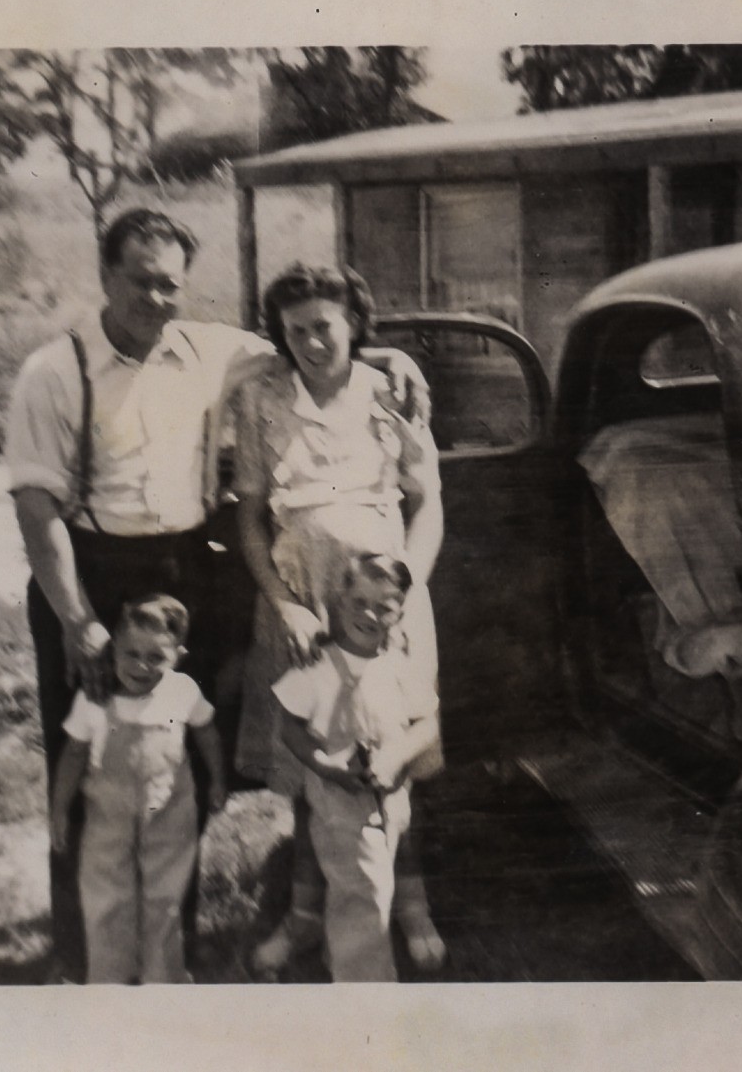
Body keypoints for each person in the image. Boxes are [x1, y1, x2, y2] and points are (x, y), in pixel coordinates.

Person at [4, 210, 426, 981]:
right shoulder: (55, 372)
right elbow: (37, 511)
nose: (158, 298)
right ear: (104, 275)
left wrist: (390, 352)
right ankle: (82, 955)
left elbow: (318, 345)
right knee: (90, 757)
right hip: (93, 570)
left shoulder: (210, 349)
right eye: (141, 281)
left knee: (180, 763)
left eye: (171, 283)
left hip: (184, 569)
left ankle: (171, 945)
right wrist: (78, 622)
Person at [233, 262, 446, 976]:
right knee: (311, 764)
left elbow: (428, 501)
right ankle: (302, 916)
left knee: (392, 752)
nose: (311, 342)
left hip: (384, 598)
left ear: (354, 323)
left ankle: (408, 902)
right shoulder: (261, 396)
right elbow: (251, 522)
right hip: (300, 599)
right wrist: (284, 602)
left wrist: (407, 587)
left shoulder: (392, 390)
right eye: (295, 331)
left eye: (324, 326)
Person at [49, 595, 228, 983]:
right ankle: (110, 979)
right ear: (113, 649)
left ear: (178, 655)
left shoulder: (182, 692)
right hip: (108, 813)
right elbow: (74, 754)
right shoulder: (95, 698)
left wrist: (216, 780)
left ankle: (161, 979)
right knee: (106, 894)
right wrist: (59, 808)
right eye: (131, 653)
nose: (141, 666)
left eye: (156, 657)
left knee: (165, 896)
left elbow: (207, 733)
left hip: (169, 807)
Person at [276, 554, 439, 981]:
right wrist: (324, 764)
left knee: (366, 882)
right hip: (336, 800)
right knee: (362, 887)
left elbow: (427, 724)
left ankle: (339, 951)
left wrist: (396, 755)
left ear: (401, 614)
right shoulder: (317, 666)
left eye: (385, 606)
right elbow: (289, 727)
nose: (369, 614)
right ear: (337, 602)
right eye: (359, 601)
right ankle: (366, 986)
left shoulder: (400, 668)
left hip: (390, 797)